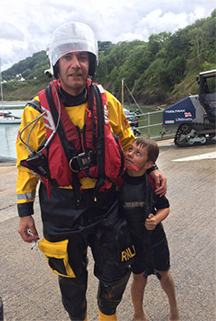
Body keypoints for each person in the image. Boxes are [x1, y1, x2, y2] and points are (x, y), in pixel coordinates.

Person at [14, 22, 167, 320]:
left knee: (116, 272)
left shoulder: (107, 102)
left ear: (91, 63)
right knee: (71, 281)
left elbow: (128, 141)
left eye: (82, 57)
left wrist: (152, 170)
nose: (75, 65)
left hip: (107, 204)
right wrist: (24, 212)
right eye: (68, 58)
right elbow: (26, 165)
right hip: (60, 207)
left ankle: (106, 315)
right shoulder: (35, 112)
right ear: (56, 64)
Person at [120, 138, 178, 321]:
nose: (130, 154)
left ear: (149, 164)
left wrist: (156, 219)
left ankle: (174, 308)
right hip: (133, 239)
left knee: (164, 274)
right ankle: (138, 313)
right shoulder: (118, 180)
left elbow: (165, 207)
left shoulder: (153, 183)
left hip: (155, 238)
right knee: (138, 277)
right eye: (130, 149)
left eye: (138, 153)